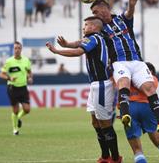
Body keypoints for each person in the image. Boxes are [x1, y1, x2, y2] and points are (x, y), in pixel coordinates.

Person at [90, 0, 159, 133]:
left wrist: (131, 5)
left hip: (137, 61)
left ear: (104, 8)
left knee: (150, 88)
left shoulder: (121, 20)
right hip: (120, 62)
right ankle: (126, 115)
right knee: (123, 83)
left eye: (95, 11)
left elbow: (129, 13)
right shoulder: (100, 29)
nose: (94, 15)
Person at [46, 16, 122, 163]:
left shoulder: (94, 37)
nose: (83, 27)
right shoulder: (95, 38)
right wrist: (67, 44)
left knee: (105, 123)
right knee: (95, 122)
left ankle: (115, 158)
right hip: (95, 85)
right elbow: (79, 43)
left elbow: (78, 51)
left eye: (86, 25)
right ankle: (105, 156)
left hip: (102, 85)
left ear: (94, 27)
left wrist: (57, 51)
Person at [124, 62, 159, 163]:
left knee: (137, 150)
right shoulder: (152, 79)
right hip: (147, 107)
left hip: (130, 108)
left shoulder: (125, 78)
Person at [0, 41, 33, 135]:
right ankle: (15, 129)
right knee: (15, 109)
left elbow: (29, 72)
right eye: (15, 48)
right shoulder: (9, 61)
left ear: (21, 49)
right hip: (12, 88)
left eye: (18, 48)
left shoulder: (26, 60)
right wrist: (9, 78)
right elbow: (1, 74)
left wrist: (30, 78)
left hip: (23, 87)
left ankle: (18, 118)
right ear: (13, 49)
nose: (17, 50)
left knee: (27, 109)